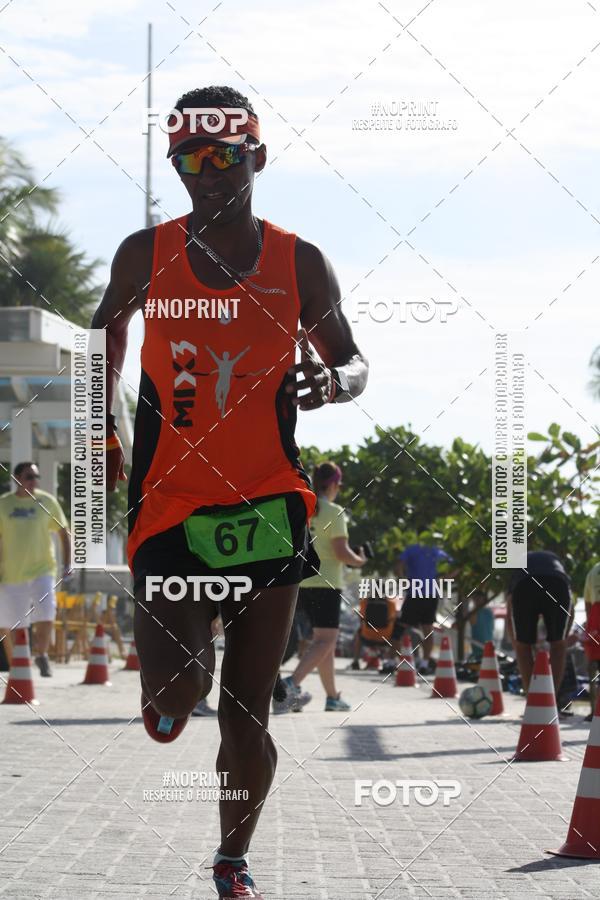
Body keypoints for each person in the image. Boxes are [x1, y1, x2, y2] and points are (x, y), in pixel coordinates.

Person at [93, 85, 368, 899]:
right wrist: (100, 424)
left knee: (250, 710)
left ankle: (231, 860)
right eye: (191, 159)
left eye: (225, 156)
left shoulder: (300, 262)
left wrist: (336, 379)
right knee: (182, 687)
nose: (208, 173)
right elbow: (103, 332)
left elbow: (350, 356)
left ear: (257, 155)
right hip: (171, 504)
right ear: (176, 163)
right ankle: (169, 697)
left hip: (271, 501)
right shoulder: (147, 255)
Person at [280, 462, 366, 711]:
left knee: (322, 642)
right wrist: (359, 560)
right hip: (327, 583)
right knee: (327, 640)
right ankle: (291, 684)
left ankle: (332, 697)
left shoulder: (305, 506)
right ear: (335, 485)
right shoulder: (334, 511)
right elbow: (342, 553)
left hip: (303, 581)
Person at [0, 461, 71, 676]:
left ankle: (41, 655)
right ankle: (17, 669)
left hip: (43, 570)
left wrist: (68, 563)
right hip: (11, 574)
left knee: (47, 610)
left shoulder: (47, 502)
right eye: (29, 476)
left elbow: (63, 532)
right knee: (9, 622)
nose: (34, 481)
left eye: (36, 476)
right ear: (17, 480)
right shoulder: (4, 504)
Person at [505, 549, 573, 705]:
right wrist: (562, 640)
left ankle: (533, 701)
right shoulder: (558, 565)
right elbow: (571, 610)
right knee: (558, 646)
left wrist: (517, 644)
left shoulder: (518, 569)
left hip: (525, 584)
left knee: (523, 647)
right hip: (558, 584)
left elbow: (509, 611)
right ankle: (551, 701)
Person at [394, 540, 456, 673]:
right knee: (427, 629)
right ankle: (424, 663)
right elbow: (456, 566)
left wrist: (403, 579)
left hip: (414, 594)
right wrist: (444, 579)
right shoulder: (437, 551)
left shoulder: (412, 549)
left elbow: (399, 565)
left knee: (400, 628)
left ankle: (392, 661)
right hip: (431, 595)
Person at [582, 560, 600, 722]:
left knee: (593, 667)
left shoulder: (594, 570)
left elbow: (588, 603)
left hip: (596, 618)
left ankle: (594, 710)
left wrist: (591, 627)